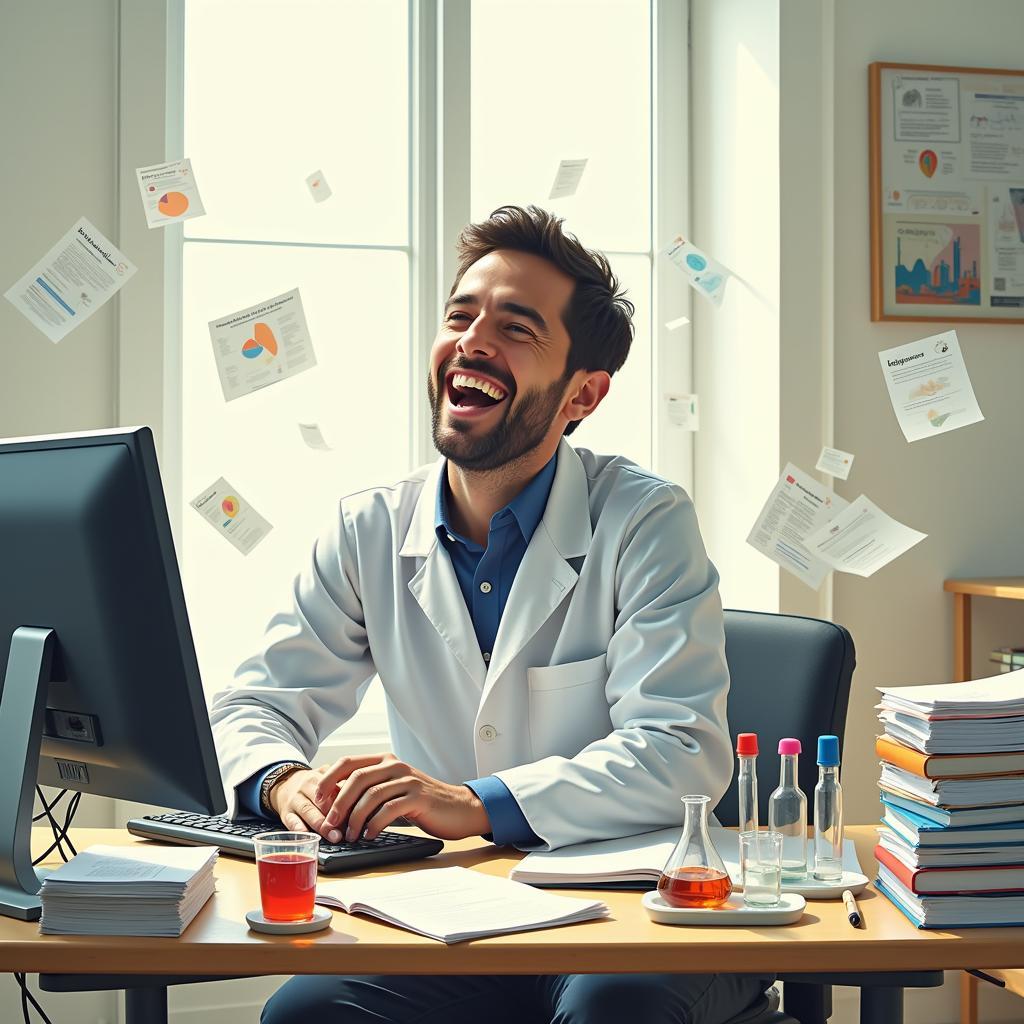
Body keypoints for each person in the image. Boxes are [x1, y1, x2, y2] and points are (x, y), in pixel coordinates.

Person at [210, 205, 774, 1023]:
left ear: (584, 392)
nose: (473, 341)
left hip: (633, 905)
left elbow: (681, 750)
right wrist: (283, 779)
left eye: (516, 327)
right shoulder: (370, 526)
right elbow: (257, 702)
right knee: (306, 1015)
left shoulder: (645, 521)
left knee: (612, 1012)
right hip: (456, 914)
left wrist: (477, 802)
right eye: (459, 316)